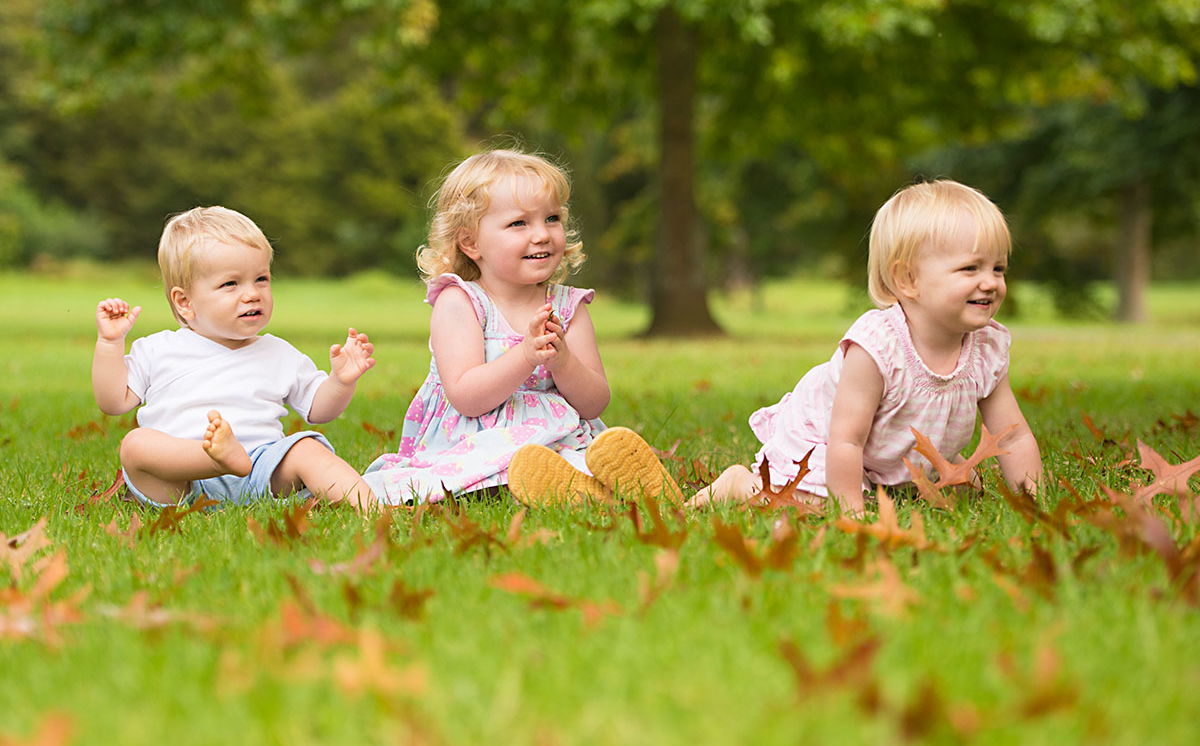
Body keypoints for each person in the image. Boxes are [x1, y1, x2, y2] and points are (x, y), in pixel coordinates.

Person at [688, 179, 1042, 514]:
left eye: (998, 268)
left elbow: (1013, 436)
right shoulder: (878, 347)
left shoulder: (987, 347)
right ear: (908, 279)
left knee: (954, 493)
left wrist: (1036, 501)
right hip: (827, 445)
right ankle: (740, 485)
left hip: (888, 460)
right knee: (815, 502)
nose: (990, 282)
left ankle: (898, 484)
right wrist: (851, 514)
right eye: (970, 268)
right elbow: (847, 441)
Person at [361, 148, 680, 505]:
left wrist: (563, 363)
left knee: (574, 461)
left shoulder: (568, 306)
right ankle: (566, 488)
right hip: (476, 440)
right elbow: (467, 397)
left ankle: (595, 486)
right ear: (470, 242)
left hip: (558, 439)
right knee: (498, 469)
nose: (542, 234)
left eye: (552, 218)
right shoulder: (460, 302)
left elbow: (594, 403)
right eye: (519, 223)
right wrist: (525, 356)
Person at [92, 206, 378, 511]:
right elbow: (114, 402)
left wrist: (341, 381)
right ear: (185, 302)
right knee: (137, 446)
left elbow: (320, 410)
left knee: (306, 449)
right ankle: (216, 460)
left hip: (259, 470)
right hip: (180, 483)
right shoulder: (158, 349)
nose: (252, 294)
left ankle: (373, 509)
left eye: (261, 279)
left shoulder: (278, 353)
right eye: (231, 284)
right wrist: (110, 343)